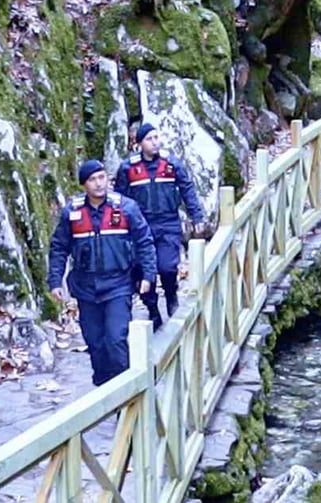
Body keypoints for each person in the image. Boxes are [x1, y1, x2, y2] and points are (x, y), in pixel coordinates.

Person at [48, 159, 156, 386]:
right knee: (95, 344)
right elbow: (59, 247)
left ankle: (125, 397)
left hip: (118, 284)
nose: (98, 184)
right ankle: (105, 388)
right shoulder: (72, 213)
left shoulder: (126, 208)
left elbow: (144, 241)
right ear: (84, 185)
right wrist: (55, 280)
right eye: (92, 180)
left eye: (101, 177)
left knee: (116, 340)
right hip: (86, 288)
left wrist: (148, 274)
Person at [114, 123, 206, 329]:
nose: (155, 142)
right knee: (143, 271)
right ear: (139, 144)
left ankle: (171, 296)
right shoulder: (128, 168)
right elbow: (119, 200)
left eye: (156, 137)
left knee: (166, 266)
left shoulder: (171, 164)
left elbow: (187, 189)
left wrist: (197, 216)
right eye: (149, 139)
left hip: (167, 223)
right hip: (140, 227)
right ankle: (153, 309)